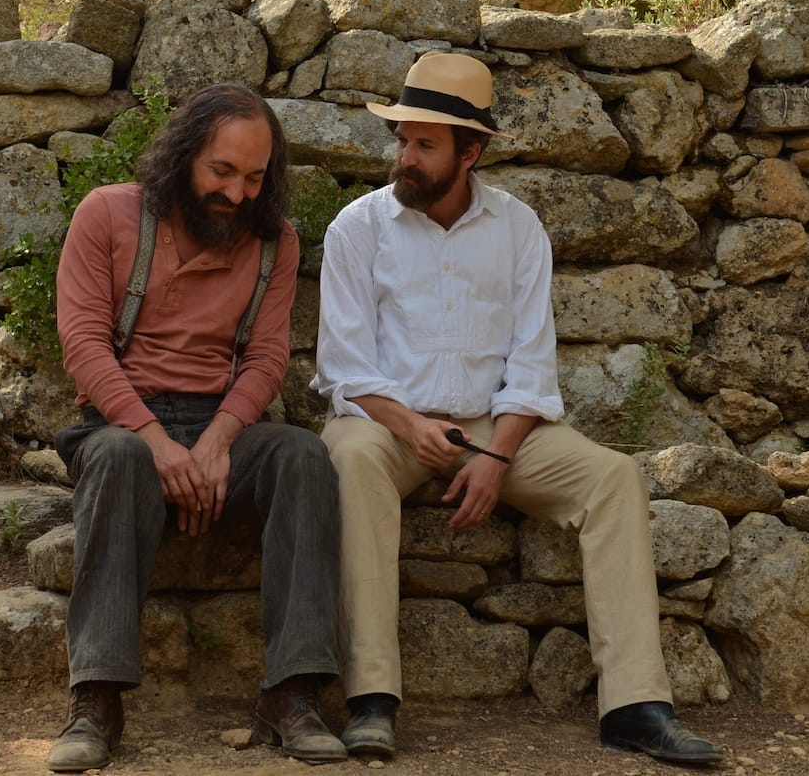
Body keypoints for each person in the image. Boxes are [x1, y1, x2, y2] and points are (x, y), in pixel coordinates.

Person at [311, 53, 724, 766]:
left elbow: (530, 362)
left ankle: (635, 705)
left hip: (495, 429)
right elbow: (345, 367)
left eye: (423, 145)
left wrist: (497, 454)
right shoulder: (358, 227)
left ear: (470, 152)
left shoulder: (518, 227)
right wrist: (411, 426)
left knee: (613, 478)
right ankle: (372, 699)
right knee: (348, 458)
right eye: (402, 139)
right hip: (388, 424)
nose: (404, 157)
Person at [49, 83, 346, 771]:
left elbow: (269, 358)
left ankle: (291, 695)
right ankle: (96, 701)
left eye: (254, 177)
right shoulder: (108, 215)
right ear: (185, 154)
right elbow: (85, 345)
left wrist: (215, 444)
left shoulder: (276, 244)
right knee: (121, 458)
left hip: (224, 427)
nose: (238, 194)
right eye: (222, 171)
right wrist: (158, 441)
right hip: (122, 424)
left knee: (304, 455)